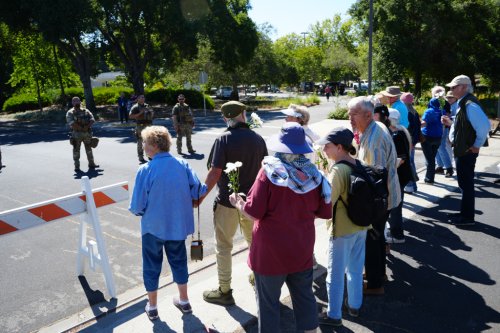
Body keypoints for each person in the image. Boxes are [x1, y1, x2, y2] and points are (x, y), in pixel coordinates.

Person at [229, 122, 332, 332]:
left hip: (270, 252)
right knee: (305, 298)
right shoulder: (314, 174)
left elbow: (254, 212)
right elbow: (325, 212)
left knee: (268, 305)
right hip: (301, 248)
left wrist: (238, 203)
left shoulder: (268, 172)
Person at [129, 126, 207, 321]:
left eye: (145, 142)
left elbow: (137, 206)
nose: (143, 146)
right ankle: (184, 300)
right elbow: (198, 190)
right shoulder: (182, 164)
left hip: (152, 227)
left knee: (151, 265)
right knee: (179, 262)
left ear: (154, 145)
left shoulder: (145, 169)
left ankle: (153, 306)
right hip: (177, 225)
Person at [201, 101, 267, 306]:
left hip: (227, 203)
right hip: (251, 203)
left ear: (225, 118)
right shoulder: (258, 139)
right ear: (244, 115)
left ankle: (224, 290)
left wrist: (200, 196)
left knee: (223, 246)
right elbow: (265, 171)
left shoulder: (223, 139)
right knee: (254, 243)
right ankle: (258, 278)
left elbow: (215, 172)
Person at [347, 96, 401, 295]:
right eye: (349, 113)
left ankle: (375, 283)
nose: (349, 118)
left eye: (353, 114)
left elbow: (375, 176)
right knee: (376, 240)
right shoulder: (374, 127)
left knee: (372, 240)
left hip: (379, 199)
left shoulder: (374, 140)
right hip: (386, 195)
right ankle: (378, 274)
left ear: (368, 115)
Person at [315, 127, 368, 327]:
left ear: (339, 147)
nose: (325, 150)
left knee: (335, 273)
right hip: (361, 226)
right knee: (355, 269)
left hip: (342, 230)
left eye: (328, 146)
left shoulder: (338, 170)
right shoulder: (358, 164)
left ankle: (334, 314)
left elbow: (328, 201)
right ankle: (355, 305)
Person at [444, 75, 490, 226]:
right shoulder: (464, 103)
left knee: (466, 184)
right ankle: (465, 214)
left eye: (453, 87)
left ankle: (468, 217)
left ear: (463, 87)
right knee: (465, 184)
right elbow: (461, 125)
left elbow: (484, 126)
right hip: (463, 150)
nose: (451, 90)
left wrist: (477, 145)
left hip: (467, 151)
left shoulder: (470, 105)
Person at [386, 109, 413, 243]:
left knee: (395, 206)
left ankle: (397, 234)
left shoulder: (396, 135)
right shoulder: (402, 131)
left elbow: (400, 159)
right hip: (402, 175)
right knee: (397, 205)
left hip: (398, 176)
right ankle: (396, 232)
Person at [66, 97, 98, 172]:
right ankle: (77, 167)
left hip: (87, 134)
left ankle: (91, 164)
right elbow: (71, 122)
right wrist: (81, 128)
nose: (76, 102)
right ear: (72, 103)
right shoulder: (70, 112)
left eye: (77, 101)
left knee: (89, 149)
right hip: (76, 134)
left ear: (80, 102)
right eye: (74, 101)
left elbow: (92, 119)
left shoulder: (86, 111)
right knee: (76, 150)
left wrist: (87, 127)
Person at [401, 92, 421, 194]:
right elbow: (417, 129)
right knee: (411, 162)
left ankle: (410, 185)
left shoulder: (407, 113)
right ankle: (413, 185)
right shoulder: (415, 112)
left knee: (408, 163)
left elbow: (410, 129)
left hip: (408, 141)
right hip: (413, 141)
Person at [420, 97, 443, 184]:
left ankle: (429, 179)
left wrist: (416, 126)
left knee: (429, 159)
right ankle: (430, 177)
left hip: (427, 136)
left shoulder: (429, 111)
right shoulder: (441, 111)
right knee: (432, 158)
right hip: (438, 137)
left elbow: (424, 123)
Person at [436, 90, 458, 177]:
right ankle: (443, 166)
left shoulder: (456, 105)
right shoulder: (447, 104)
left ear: (455, 98)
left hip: (450, 128)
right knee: (443, 148)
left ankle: (449, 166)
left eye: (451, 97)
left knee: (445, 148)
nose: (449, 98)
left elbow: (456, 118)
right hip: (447, 128)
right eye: (448, 97)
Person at [129, 95, 154, 163]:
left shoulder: (147, 106)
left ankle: (150, 155)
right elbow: (130, 116)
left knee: (149, 141)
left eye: (143, 97)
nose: (143, 98)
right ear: (138, 99)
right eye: (141, 97)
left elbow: (152, 114)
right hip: (140, 126)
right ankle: (140, 157)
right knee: (140, 141)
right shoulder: (135, 107)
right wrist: (140, 113)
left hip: (148, 125)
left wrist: (151, 112)